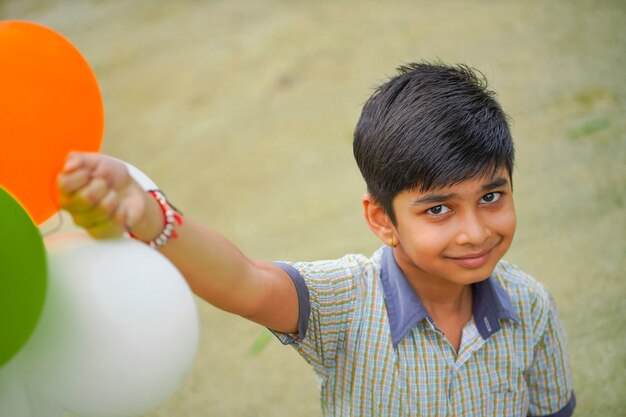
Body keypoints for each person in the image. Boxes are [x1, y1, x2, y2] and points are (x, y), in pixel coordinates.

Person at [58, 62, 575, 416]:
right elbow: (248, 282)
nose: (476, 231)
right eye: (438, 209)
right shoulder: (347, 303)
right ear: (382, 220)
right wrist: (151, 217)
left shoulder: (531, 307)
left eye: (491, 196)